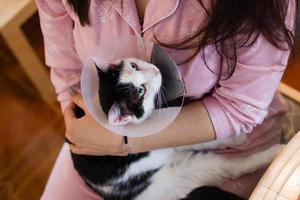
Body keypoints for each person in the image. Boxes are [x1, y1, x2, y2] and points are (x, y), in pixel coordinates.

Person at [36, 0, 296, 199]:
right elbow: (68, 73)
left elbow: (239, 109)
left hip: (227, 139)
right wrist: (84, 130)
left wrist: (126, 139)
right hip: (105, 144)